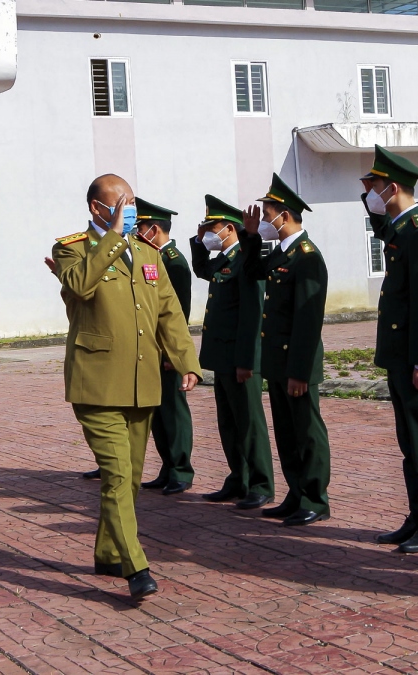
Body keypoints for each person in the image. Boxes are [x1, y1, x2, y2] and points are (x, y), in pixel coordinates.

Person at [52, 173, 202, 599]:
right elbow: (80, 286)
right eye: (120, 202)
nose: (128, 208)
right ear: (97, 209)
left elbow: (168, 312)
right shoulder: (71, 249)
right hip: (96, 384)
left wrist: (185, 359)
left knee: (130, 479)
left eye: (132, 200)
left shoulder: (146, 253)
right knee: (117, 476)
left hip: (142, 382)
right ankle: (136, 566)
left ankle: (106, 552)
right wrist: (113, 238)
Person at [360, 147, 418, 554]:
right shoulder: (402, 228)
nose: (370, 195)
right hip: (402, 355)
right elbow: (383, 225)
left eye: (376, 188)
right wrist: (372, 200)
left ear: (393, 188)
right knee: (409, 443)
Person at [239, 173, 331, 527]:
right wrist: (249, 236)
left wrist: (300, 371)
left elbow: (308, 322)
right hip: (277, 359)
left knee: (307, 432)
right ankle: (296, 494)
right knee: (287, 432)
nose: (264, 220)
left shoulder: (307, 257)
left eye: (267, 214)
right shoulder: (282, 253)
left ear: (285, 215)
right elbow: (251, 272)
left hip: (296, 362)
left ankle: (315, 499)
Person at [190, 194, 274, 511]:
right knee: (229, 422)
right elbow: (201, 270)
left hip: (240, 359)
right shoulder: (225, 260)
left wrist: (246, 361)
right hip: (221, 357)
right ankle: (239, 478)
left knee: (249, 423)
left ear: (229, 228)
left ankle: (261, 483)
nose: (208, 231)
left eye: (212, 227)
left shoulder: (245, 260)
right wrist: (198, 241)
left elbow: (252, 315)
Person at [133, 198, 196, 496]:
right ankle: (167, 466)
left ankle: (181, 469)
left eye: (140, 227)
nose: (136, 232)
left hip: (168, 353)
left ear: (154, 229)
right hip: (152, 351)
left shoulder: (174, 262)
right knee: (159, 413)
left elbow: (177, 313)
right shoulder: (152, 258)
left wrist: (175, 354)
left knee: (173, 410)